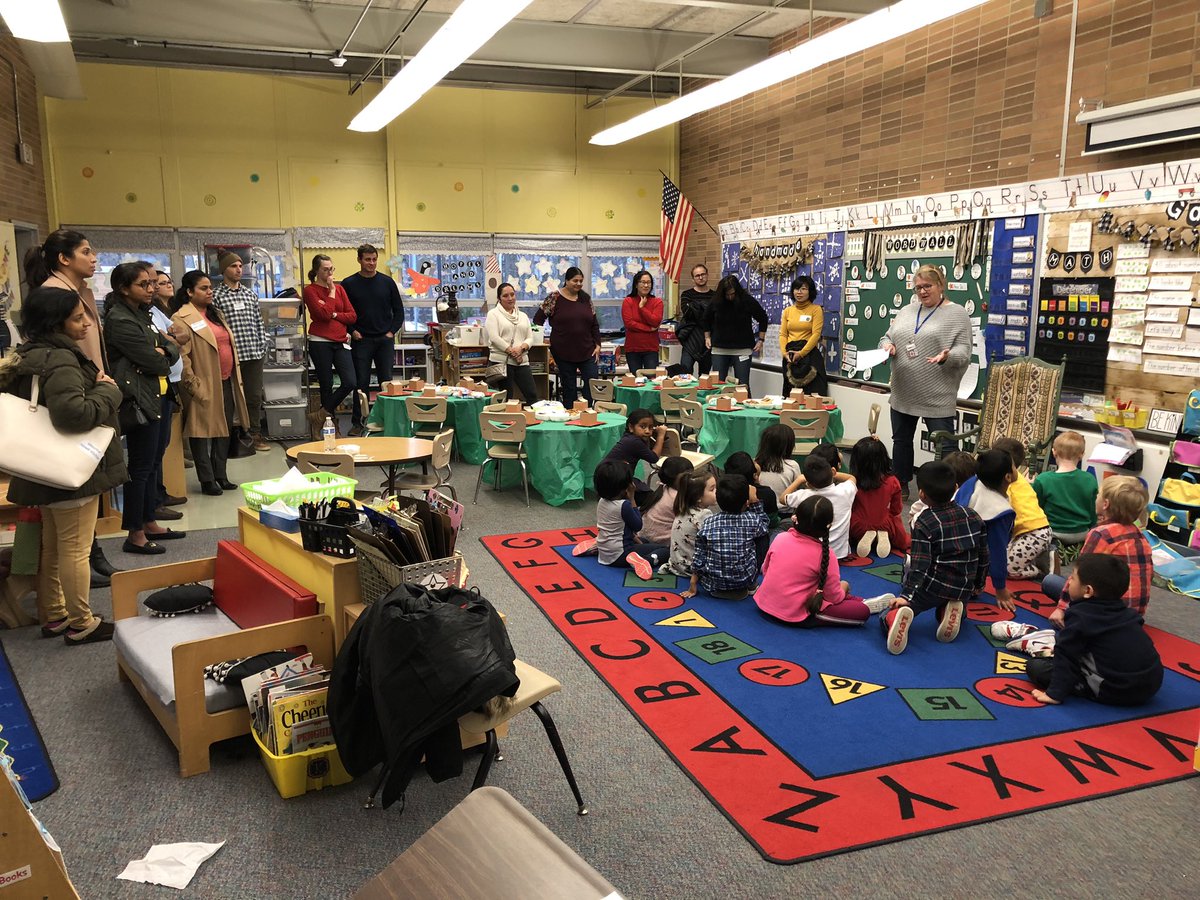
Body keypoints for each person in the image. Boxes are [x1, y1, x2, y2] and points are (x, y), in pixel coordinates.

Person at [0, 287, 127, 644]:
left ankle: (55, 614)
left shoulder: (31, 354)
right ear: (57, 323)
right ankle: (81, 622)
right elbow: (73, 415)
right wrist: (108, 391)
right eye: (77, 317)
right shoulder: (61, 359)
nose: (86, 322)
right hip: (67, 471)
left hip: (40, 470)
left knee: (54, 546)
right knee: (75, 549)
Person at [22, 228, 120, 586]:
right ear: (64, 258)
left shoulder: (78, 292)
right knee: (68, 522)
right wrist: (104, 392)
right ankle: (76, 610)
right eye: (86, 251)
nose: (94, 258)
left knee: (69, 522)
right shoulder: (55, 297)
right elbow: (68, 404)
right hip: (79, 400)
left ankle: (85, 563)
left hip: (90, 392)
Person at [103, 262, 184, 555]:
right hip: (140, 399)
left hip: (159, 395)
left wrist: (166, 349)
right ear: (124, 289)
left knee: (153, 463)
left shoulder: (143, 315)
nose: (151, 289)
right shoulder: (120, 320)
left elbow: (171, 349)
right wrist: (164, 351)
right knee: (140, 467)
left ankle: (149, 520)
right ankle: (134, 533)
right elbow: (157, 361)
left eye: (152, 283)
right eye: (143, 284)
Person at [880, 264, 973, 497]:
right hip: (903, 390)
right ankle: (900, 485)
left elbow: (965, 352)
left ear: (941, 285)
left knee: (946, 447)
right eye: (918, 287)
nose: (922, 292)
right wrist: (886, 346)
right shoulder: (906, 311)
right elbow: (887, 336)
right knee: (901, 441)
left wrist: (947, 356)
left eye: (927, 286)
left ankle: (951, 490)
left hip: (937, 394)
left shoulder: (957, 313)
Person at [1027, 554, 1162, 707]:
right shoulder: (1127, 613)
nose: (1068, 581)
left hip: (1116, 690)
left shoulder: (1080, 617)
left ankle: (1044, 643)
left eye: (1073, 578)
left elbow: (1066, 656)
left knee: (1037, 667)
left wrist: (1054, 694)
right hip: (1151, 684)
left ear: (1088, 591)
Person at [881, 461, 987, 655]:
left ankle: (896, 617)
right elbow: (982, 555)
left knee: (890, 613)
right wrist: (978, 584)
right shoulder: (973, 516)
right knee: (961, 609)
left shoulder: (925, 522)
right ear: (956, 488)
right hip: (962, 585)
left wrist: (906, 596)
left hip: (933, 587)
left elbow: (921, 565)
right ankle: (951, 610)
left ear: (921, 494)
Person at [172, 270, 251, 497]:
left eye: (210, 288)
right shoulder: (181, 317)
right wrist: (194, 385)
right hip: (202, 384)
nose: (209, 292)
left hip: (225, 380)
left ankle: (221, 475)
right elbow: (182, 356)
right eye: (203, 288)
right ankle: (206, 479)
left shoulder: (215, 313)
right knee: (201, 432)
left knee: (223, 429)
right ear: (189, 292)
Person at [756, 496, 890, 627]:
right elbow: (833, 597)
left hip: (764, 603)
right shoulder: (825, 553)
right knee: (862, 612)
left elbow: (765, 570)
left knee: (831, 592)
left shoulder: (781, 537)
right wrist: (844, 587)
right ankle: (863, 603)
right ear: (829, 525)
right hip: (796, 614)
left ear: (796, 517)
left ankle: (863, 601)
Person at [1043, 475, 1152, 627]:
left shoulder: (1101, 534)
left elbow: (1080, 573)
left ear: (1105, 504)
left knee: (1050, 581)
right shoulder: (1141, 537)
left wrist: (1061, 608)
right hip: (1133, 616)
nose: (1096, 498)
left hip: (1105, 615)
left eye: (1098, 495)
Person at [342, 244, 405, 436]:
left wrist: (391, 332)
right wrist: (352, 331)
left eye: (374, 259)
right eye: (367, 259)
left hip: (384, 340)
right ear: (359, 260)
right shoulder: (348, 283)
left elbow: (399, 311)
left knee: (386, 383)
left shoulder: (387, 282)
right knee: (360, 383)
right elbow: (344, 313)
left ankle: (386, 421)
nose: (371, 263)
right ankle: (358, 423)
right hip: (361, 340)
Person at [211, 251, 268, 451]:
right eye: (233, 266)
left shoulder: (250, 294)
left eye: (240, 265)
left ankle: (254, 434)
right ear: (224, 270)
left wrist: (262, 345)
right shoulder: (216, 296)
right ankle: (228, 437)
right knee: (230, 399)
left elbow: (259, 322)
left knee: (253, 396)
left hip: (253, 353)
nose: (238, 269)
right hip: (230, 355)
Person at [688, 474, 769, 600]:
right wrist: (755, 502)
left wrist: (693, 581)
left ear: (718, 501)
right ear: (746, 503)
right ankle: (752, 585)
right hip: (744, 581)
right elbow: (765, 525)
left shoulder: (709, 522)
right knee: (761, 537)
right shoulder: (752, 520)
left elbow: (699, 556)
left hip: (714, 585)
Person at [954, 449, 1017, 611]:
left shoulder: (973, 482)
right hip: (965, 565)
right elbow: (997, 553)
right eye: (1014, 466)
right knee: (976, 588)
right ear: (1008, 477)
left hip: (944, 546)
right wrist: (1000, 589)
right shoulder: (1000, 512)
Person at [302, 254, 358, 436]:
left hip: (341, 342)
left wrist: (334, 314)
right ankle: (329, 428)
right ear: (316, 271)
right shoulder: (310, 291)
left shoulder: (341, 289)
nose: (329, 273)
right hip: (320, 342)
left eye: (331, 269)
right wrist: (331, 293)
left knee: (350, 382)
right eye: (325, 269)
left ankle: (320, 415)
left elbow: (352, 316)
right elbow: (322, 315)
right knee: (326, 384)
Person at [148, 270, 187, 521]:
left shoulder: (165, 311)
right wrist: (172, 339)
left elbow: (179, 338)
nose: (162, 286)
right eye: (154, 283)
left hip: (170, 380)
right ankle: (155, 500)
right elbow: (169, 342)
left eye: (164, 281)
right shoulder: (151, 313)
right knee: (153, 449)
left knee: (162, 444)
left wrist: (172, 339)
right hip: (158, 383)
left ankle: (159, 493)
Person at [591, 459, 668, 581]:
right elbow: (638, 525)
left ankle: (596, 546)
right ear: (625, 487)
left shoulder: (602, 501)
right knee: (665, 550)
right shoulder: (623, 505)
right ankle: (644, 560)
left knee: (644, 541)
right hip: (619, 554)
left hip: (606, 550)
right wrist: (632, 498)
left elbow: (622, 528)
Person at [534, 266, 600, 407]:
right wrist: (543, 339)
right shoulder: (554, 297)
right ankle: (570, 416)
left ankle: (587, 413)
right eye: (575, 280)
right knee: (569, 388)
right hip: (563, 352)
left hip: (587, 350)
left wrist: (598, 345)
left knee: (592, 383)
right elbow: (537, 320)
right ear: (566, 281)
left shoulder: (586, 299)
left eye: (581, 281)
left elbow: (594, 324)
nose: (578, 284)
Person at [992, 437, 1053, 579]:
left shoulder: (1007, 483)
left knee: (1008, 570)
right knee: (998, 560)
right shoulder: (1017, 477)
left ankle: (1041, 569)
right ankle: (1035, 556)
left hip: (1033, 533)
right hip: (1028, 531)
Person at [781, 455, 857, 560]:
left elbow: (782, 498)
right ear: (833, 472)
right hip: (840, 554)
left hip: (813, 555)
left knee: (783, 525)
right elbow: (851, 478)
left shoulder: (804, 495)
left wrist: (798, 480)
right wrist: (832, 473)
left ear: (808, 483)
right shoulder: (845, 491)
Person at [702, 275, 769, 392]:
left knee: (742, 386)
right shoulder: (716, 301)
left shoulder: (746, 300)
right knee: (717, 384)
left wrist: (761, 340)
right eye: (727, 295)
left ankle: (745, 409)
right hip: (719, 348)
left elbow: (763, 318)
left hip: (742, 348)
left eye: (732, 294)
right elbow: (705, 319)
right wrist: (707, 337)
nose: (730, 297)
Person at [849, 436, 910, 558]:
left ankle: (867, 535)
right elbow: (896, 509)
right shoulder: (892, 481)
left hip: (857, 527)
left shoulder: (853, 482)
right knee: (894, 517)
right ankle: (882, 536)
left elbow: (849, 506)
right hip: (885, 525)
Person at [1033, 431, 1098, 543]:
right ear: (1082, 454)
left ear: (1054, 452)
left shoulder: (1043, 479)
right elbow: (1093, 511)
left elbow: (1036, 509)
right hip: (1082, 533)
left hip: (1053, 533)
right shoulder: (1090, 479)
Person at [483, 282, 538, 405]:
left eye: (512, 294)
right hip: (502, 361)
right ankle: (505, 423)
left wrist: (521, 349)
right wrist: (511, 351)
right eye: (505, 296)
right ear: (499, 299)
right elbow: (494, 337)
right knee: (506, 398)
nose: (510, 298)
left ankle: (531, 421)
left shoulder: (522, 316)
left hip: (521, 360)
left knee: (532, 395)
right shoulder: (493, 314)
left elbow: (530, 337)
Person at [600, 408, 667, 500]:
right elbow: (654, 458)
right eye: (643, 427)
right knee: (651, 498)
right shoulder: (634, 442)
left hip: (607, 478)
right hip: (614, 482)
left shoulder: (629, 437)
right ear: (631, 427)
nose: (647, 431)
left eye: (651, 427)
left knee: (644, 491)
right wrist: (661, 435)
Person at [778, 274, 827, 396]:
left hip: (808, 356)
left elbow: (816, 334)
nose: (799, 292)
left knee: (811, 397)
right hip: (790, 358)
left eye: (803, 289)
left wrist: (801, 353)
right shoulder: (788, 311)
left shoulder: (816, 310)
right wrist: (785, 353)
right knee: (790, 397)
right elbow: (783, 334)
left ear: (810, 291)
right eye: (796, 289)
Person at [662, 470, 716, 579]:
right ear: (698, 497)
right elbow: (715, 542)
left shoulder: (683, 510)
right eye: (712, 489)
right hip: (692, 570)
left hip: (677, 565)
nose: (717, 492)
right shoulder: (703, 515)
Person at [638, 456, 693, 545]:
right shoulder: (678, 498)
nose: (691, 480)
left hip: (645, 535)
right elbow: (691, 522)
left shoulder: (663, 488)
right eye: (688, 477)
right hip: (660, 541)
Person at [622, 270, 663, 374]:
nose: (646, 285)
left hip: (651, 349)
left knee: (652, 380)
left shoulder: (657, 302)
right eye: (642, 282)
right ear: (636, 284)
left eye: (648, 282)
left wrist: (642, 308)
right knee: (636, 381)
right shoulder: (628, 301)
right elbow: (629, 324)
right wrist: (648, 329)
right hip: (633, 349)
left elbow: (655, 322)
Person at [676, 263, 714, 375]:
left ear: (707, 275)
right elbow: (687, 313)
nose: (701, 277)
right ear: (693, 279)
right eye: (697, 275)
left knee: (705, 377)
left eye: (703, 274)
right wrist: (705, 310)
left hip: (707, 342)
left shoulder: (714, 295)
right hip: (690, 340)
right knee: (685, 372)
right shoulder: (687, 294)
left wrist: (696, 307)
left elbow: (714, 317)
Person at [754, 424, 800, 499]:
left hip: (761, 508)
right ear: (789, 445)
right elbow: (798, 491)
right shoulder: (792, 465)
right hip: (786, 509)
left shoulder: (754, 463)